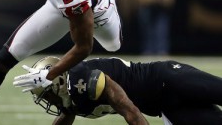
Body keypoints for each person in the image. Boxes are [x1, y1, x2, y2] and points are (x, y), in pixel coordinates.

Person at [14, 56, 222, 125]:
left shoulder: (80, 78)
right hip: (165, 106)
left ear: (59, 83)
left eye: (47, 94)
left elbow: (129, 111)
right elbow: (67, 114)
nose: (49, 101)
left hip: (169, 79)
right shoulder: (72, 95)